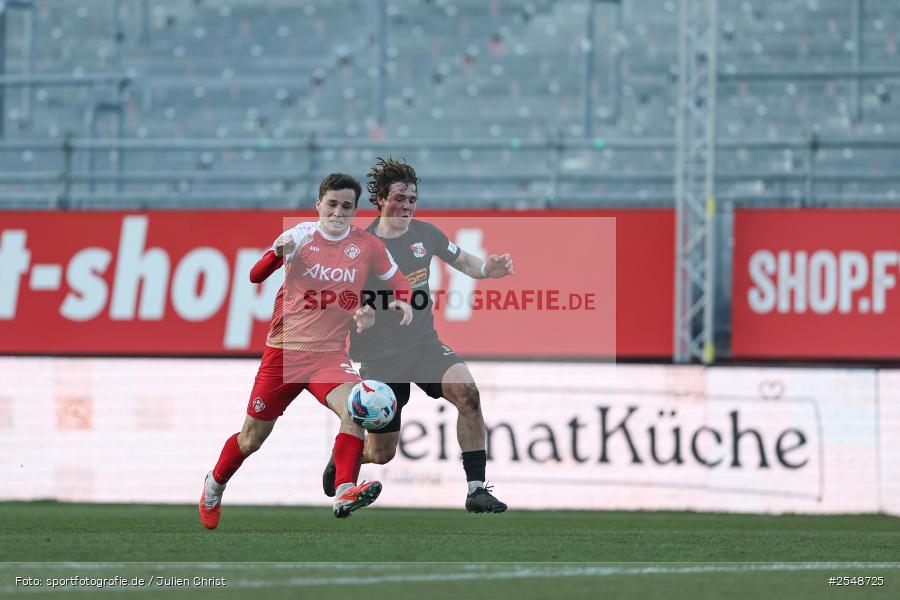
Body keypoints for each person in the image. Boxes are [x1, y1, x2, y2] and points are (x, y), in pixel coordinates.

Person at [199, 173, 413, 529]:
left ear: (355, 210)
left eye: (347, 206)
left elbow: (399, 282)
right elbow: (255, 276)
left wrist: (403, 302)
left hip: (329, 356)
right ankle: (214, 484)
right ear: (318, 205)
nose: (338, 211)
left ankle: (344, 489)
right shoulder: (298, 236)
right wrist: (274, 256)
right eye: (332, 204)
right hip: (284, 355)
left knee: (355, 408)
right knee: (251, 439)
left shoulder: (368, 246)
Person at [322, 157, 513, 513]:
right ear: (380, 199)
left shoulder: (427, 235)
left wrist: (489, 269)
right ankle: (345, 459)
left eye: (412, 199)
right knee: (381, 454)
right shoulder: (358, 245)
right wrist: (358, 312)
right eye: (400, 198)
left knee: (468, 394)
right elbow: (339, 295)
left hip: (424, 346)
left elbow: (467, 263)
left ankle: (476, 490)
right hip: (380, 357)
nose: (407, 205)